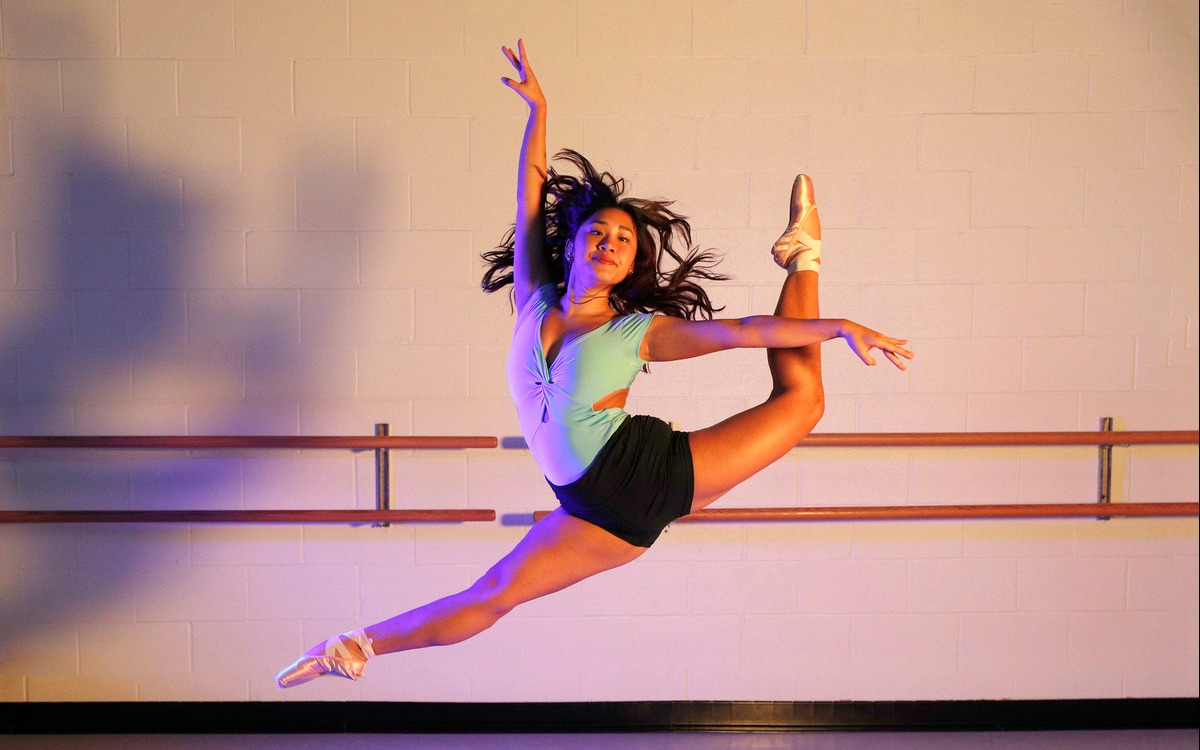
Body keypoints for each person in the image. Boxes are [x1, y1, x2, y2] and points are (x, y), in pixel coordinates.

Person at [275, 40, 912, 688]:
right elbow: (529, 198)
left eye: (624, 240)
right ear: (574, 245)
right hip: (589, 504)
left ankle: (804, 258)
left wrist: (839, 327)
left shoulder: (636, 332)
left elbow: (744, 332)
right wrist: (536, 113)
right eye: (598, 234)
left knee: (802, 401)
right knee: (494, 593)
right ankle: (350, 647)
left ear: (632, 264)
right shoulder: (533, 301)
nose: (610, 243)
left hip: (646, 474)